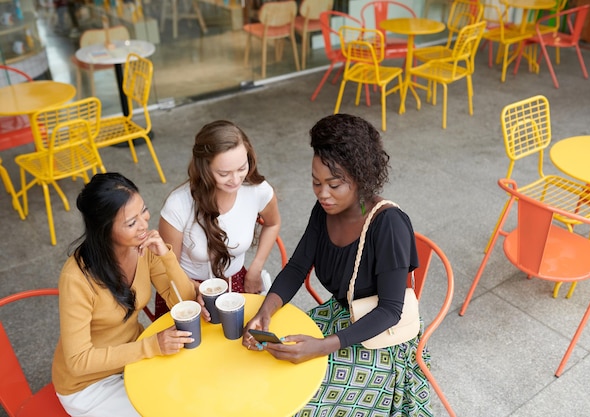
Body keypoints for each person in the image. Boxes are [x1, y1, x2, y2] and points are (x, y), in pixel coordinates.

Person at [243, 114, 432, 416]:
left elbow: (390, 310)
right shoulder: (324, 211)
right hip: (340, 316)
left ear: (361, 177)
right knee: (271, 371)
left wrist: (324, 346)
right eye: (316, 182)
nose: (322, 194)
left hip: (382, 340)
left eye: (334, 184)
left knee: (304, 399)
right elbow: (296, 268)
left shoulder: (389, 225)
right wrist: (264, 313)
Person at [52, 172, 197, 417]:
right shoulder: (76, 278)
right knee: (170, 410)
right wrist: (150, 347)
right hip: (90, 385)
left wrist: (166, 256)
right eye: (131, 223)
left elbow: (185, 303)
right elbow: (78, 362)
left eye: (144, 211)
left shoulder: (144, 247)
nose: (144, 224)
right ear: (104, 230)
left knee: (193, 392)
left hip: (135, 358)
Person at [158, 120, 280, 320]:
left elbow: (273, 223)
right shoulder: (178, 205)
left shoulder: (258, 190)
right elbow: (165, 269)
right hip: (187, 290)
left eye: (242, 168)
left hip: (237, 282)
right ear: (204, 169)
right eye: (224, 173)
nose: (235, 180)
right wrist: (193, 290)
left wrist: (256, 268)